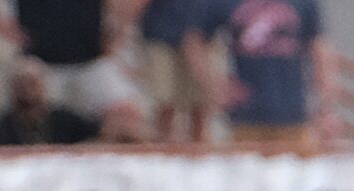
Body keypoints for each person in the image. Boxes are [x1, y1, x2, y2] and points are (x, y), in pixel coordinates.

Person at [187, 0, 334, 154]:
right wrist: (215, 86)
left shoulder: (303, 3)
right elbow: (193, 41)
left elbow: (320, 51)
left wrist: (325, 107)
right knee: (244, 174)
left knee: (298, 175)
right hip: (244, 119)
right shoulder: (226, 3)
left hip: (293, 116)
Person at [0, 0, 133, 118]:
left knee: (123, 110)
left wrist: (118, 28)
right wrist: (2, 27)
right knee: (34, 116)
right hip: (41, 62)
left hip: (90, 58)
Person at [137, 0, 208, 144]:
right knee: (165, 100)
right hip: (161, 34)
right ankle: (162, 149)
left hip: (202, 30)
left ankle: (199, 151)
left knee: (199, 103)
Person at [0, 55, 96, 146]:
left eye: (32, 83)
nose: (27, 89)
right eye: (21, 83)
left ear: (43, 85)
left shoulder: (66, 120)